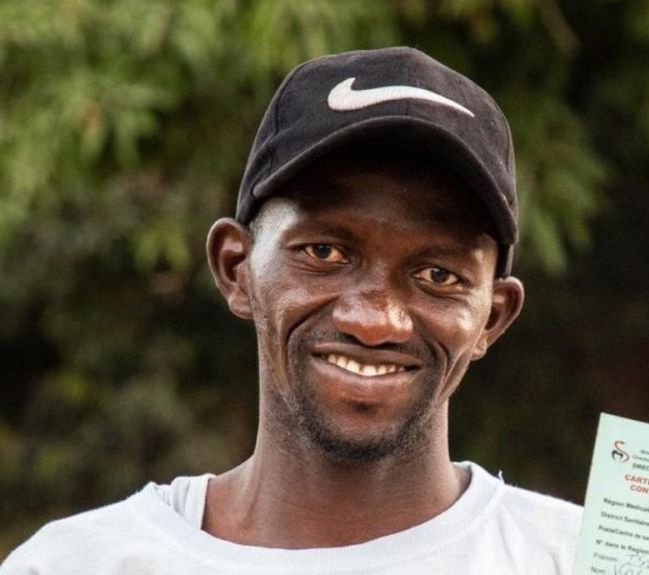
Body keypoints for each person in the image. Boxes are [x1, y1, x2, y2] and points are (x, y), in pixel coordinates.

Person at [1, 47, 582, 574]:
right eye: (324, 252)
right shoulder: (76, 566)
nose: (374, 319)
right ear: (237, 268)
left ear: (493, 316)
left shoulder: (583, 561)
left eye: (438, 275)